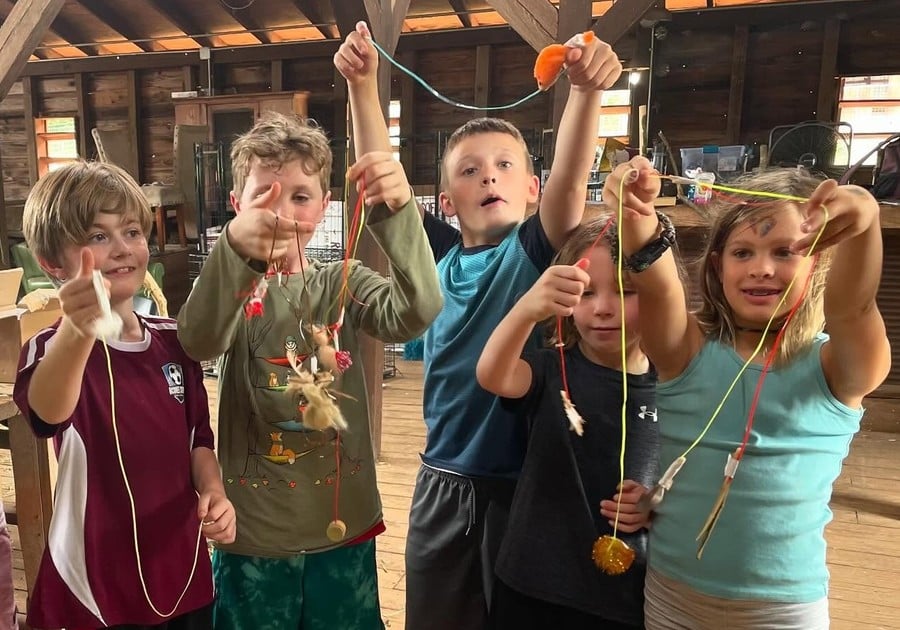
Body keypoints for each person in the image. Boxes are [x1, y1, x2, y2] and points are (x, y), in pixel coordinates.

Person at [335, 20, 624, 628]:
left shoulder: (532, 250)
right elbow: (382, 186)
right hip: (443, 477)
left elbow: (572, 185)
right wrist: (363, 87)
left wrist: (586, 92)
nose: (487, 176)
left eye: (503, 166)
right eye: (468, 170)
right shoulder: (432, 259)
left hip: (524, 484)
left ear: (531, 189)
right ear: (445, 202)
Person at [176, 106, 441, 627]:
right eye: (263, 195)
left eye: (300, 196)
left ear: (324, 207)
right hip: (251, 534)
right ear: (236, 205)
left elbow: (418, 310)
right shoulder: (234, 289)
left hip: (341, 526)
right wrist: (234, 252)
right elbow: (197, 337)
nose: (283, 212)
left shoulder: (343, 280)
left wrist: (397, 209)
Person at [605, 160, 891, 629]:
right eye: (742, 252)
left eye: (785, 251)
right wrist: (635, 213)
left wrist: (862, 226)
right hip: (673, 597)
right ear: (718, 266)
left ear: (819, 261)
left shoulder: (838, 369)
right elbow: (655, 285)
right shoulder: (684, 351)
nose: (761, 268)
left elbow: (854, 307)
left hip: (782, 610)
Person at [13, 161, 235, 630]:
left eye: (132, 231)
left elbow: (198, 438)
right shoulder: (52, 346)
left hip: (182, 572)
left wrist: (214, 491)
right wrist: (79, 329)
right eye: (97, 237)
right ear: (53, 264)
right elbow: (47, 413)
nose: (121, 249)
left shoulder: (175, 340)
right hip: (92, 583)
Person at [476, 216, 660, 629]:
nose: (603, 308)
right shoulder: (549, 369)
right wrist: (528, 307)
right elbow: (492, 374)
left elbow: (689, 474)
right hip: (531, 584)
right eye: (585, 292)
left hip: (627, 594)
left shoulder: (676, 385)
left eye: (625, 290)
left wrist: (656, 504)